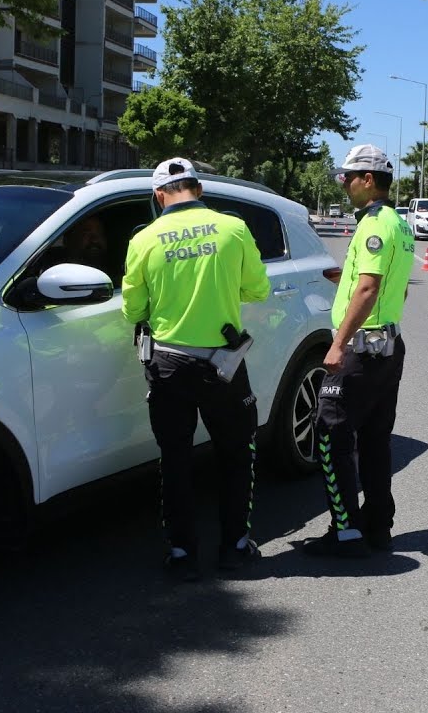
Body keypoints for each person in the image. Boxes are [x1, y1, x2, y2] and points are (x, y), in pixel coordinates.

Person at [121, 157, 271, 581]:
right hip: (223, 364)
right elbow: (258, 289)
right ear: (199, 189)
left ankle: (184, 554)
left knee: (175, 460)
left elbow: (134, 308)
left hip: (168, 365)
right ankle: (235, 549)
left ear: (158, 195)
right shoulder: (233, 228)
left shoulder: (144, 239)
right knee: (237, 455)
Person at [300, 144, 415, 558]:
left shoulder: (373, 225)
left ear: (368, 180)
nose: (343, 184)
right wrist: (343, 278)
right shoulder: (399, 225)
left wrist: (337, 343)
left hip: (361, 350)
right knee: (375, 438)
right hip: (387, 346)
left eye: (347, 177)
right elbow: (389, 285)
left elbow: (368, 289)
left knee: (330, 433)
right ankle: (378, 525)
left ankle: (345, 531)